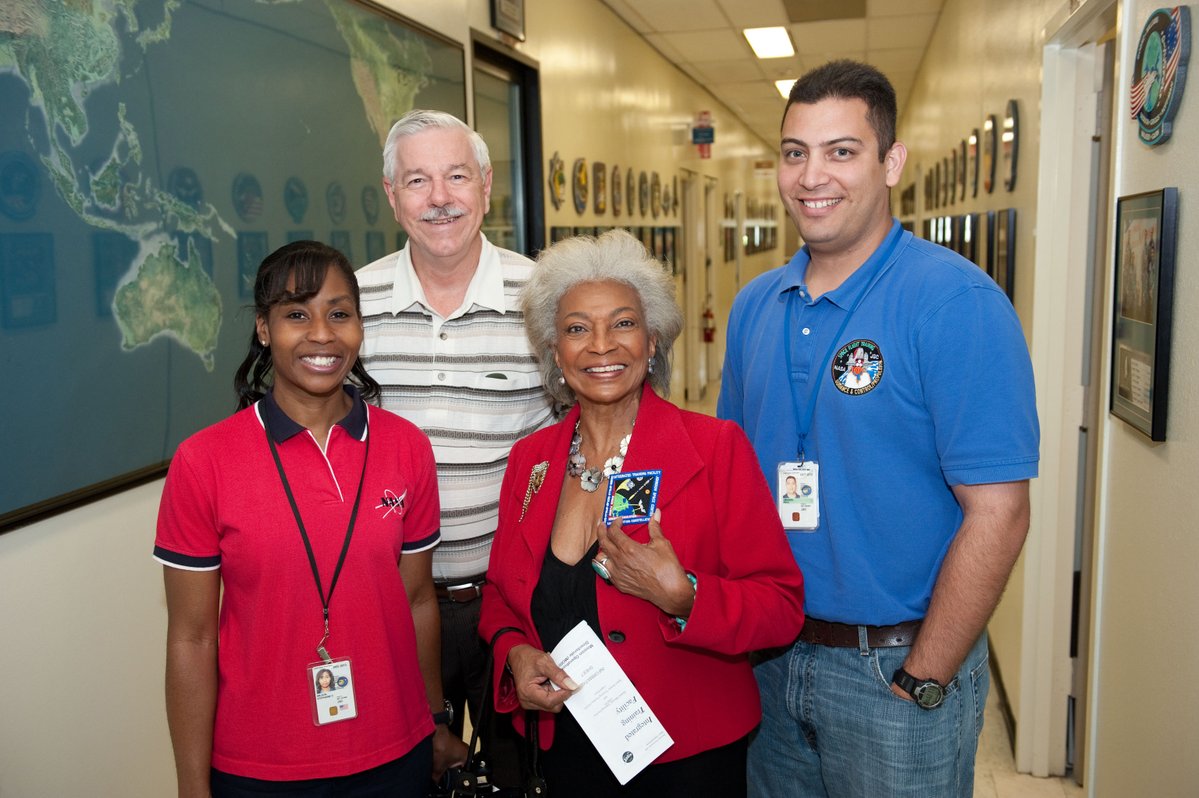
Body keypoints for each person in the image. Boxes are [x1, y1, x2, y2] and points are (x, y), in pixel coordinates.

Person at [718, 60, 1039, 797]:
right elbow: (732, 481)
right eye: (794, 152)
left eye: (841, 151)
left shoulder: (953, 303)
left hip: (890, 668)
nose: (811, 176)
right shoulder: (754, 307)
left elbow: (999, 512)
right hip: (769, 658)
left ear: (890, 161)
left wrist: (923, 677)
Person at [478, 230, 806, 796]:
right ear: (555, 352)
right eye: (577, 328)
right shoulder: (531, 462)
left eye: (623, 324)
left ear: (652, 341)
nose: (601, 345)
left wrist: (687, 599)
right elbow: (499, 594)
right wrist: (515, 652)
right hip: (565, 751)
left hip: (686, 755)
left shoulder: (715, 449)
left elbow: (780, 605)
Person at [155, 241, 464, 797]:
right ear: (264, 329)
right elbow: (192, 639)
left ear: (359, 327)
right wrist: (191, 786)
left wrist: (436, 720)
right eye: (297, 314)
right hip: (259, 767)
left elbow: (417, 600)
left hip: (395, 754)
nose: (322, 333)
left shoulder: (405, 447)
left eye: (339, 314)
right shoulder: (204, 462)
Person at [357, 109, 555, 772]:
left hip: (511, 605)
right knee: (406, 772)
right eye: (417, 180)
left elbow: (580, 448)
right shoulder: (351, 305)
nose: (439, 198)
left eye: (455, 176)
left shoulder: (546, 300)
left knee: (519, 772)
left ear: (487, 185)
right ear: (391, 195)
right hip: (388, 608)